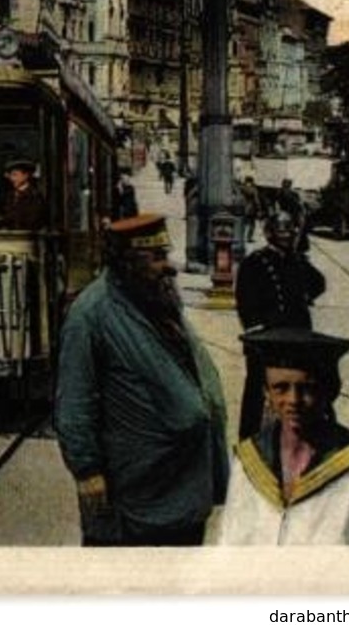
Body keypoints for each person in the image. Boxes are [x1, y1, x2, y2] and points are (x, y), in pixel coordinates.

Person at [54, 213, 228, 546]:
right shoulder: (91, 314)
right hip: (134, 491)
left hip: (181, 484)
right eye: (157, 257)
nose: (170, 266)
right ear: (128, 262)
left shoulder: (155, 298)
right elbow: (74, 402)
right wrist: (87, 470)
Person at [218, 327, 349, 545]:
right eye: (281, 388)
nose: (293, 400)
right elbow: (229, 545)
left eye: (307, 388)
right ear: (266, 392)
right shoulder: (248, 461)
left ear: (329, 391)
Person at [234, 211, 328, 438]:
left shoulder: (296, 261)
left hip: (296, 339)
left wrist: (301, 257)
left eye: (290, 231)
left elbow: (319, 283)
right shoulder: (255, 262)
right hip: (267, 342)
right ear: (269, 233)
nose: (287, 236)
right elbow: (244, 302)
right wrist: (257, 332)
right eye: (281, 231)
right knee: (259, 395)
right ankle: (253, 440)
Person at [2, 159, 48, 230]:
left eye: (15, 175)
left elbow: (34, 220)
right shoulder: (10, 195)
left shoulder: (34, 195)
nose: (12, 178)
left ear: (25, 176)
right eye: (11, 175)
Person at [240, 176, 266, 243]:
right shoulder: (253, 189)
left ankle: (240, 237)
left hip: (241, 208)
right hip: (251, 209)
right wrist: (259, 209)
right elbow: (256, 200)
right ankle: (249, 238)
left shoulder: (241, 188)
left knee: (242, 223)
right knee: (252, 224)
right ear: (251, 182)